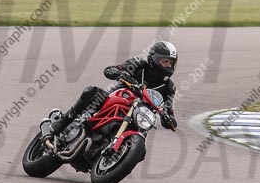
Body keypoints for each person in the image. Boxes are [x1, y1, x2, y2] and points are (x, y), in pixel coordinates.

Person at [50, 41, 178, 134]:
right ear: (154, 58)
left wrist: (169, 119)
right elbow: (110, 70)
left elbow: (169, 110)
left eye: (171, 63)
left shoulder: (169, 87)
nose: (168, 66)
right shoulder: (139, 64)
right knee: (91, 92)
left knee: (141, 150)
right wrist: (120, 73)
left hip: (138, 116)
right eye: (165, 61)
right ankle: (65, 120)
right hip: (115, 98)